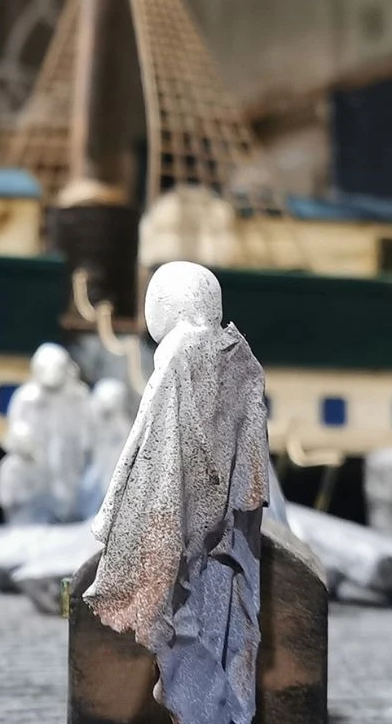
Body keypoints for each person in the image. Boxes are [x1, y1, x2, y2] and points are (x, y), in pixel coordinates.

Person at [85, 262, 270, 724]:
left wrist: (112, 515)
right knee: (226, 624)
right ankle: (226, 709)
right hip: (227, 528)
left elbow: (148, 445)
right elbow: (252, 465)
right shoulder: (241, 358)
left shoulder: (177, 354)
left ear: (167, 305)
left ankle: (203, 711)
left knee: (184, 624)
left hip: (183, 522)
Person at [5, 343, 92, 522]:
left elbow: (89, 436)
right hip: (37, 464)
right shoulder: (26, 399)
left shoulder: (79, 398)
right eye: (48, 368)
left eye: (58, 367)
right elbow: (14, 435)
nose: (53, 373)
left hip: (71, 465)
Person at [77, 378, 134, 519]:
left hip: (115, 461)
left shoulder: (121, 421)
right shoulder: (92, 418)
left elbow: (126, 440)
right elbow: (86, 442)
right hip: (98, 461)